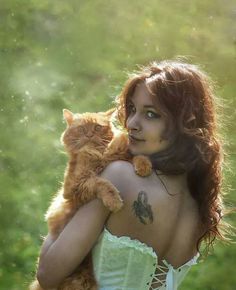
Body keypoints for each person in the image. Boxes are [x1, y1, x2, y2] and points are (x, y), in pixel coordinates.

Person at [36, 60, 231, 290]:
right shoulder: (201, 204)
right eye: (132, 109)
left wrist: (72, 191)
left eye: (151, 114)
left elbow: (48, 274)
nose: (131, 123)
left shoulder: (120, 177)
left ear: (184, 123)